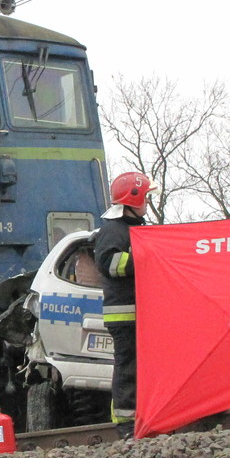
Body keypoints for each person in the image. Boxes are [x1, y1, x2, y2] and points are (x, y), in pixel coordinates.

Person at [94, 171, 157, 439]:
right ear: (133, 199)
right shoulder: (112, 231)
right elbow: (109, 264)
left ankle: (145, 417)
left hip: (140, 313)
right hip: (124, 315)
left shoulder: (135, 229)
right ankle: (126, 425)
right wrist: (145, 257)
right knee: (128, 368)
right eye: (146, 196)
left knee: (142, 368)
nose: (148, 202)